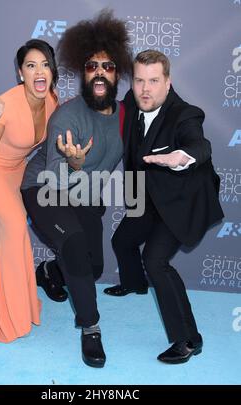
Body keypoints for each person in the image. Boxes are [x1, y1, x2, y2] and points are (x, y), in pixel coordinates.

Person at [21, 10, 132, 367]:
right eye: (91, 65)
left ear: (118, 73)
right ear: (82, 73)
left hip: (83, 195)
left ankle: (50, 272)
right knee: (74, 247)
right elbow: (55, 180)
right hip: (45, 187)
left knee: (94, 267)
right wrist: (78, 164)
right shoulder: (66, 117)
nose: (100, 71)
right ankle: (91, 328)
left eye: (108, 65)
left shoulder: (125, 117)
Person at [104, 50, 224, 363]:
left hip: (180, 201)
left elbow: (200, 145)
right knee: (122, 240)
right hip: (148, 196)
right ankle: (134, 284)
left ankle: (189, 340)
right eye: (140, 80)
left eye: (154, 81)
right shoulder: (133, 100)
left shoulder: (185, 114)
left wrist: (181, 157)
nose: (145, 89)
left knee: (155, 260)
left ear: (167, 83)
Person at [0, 39, 58, 343]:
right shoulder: (6, 105)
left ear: (52, 71)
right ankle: (9, 316)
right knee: (15, 224)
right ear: (21, 74)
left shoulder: (52, 101)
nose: (39, 71)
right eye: (31, 65)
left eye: (45, 64)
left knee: (14, 232)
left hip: (15, 168)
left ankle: (18, 305)